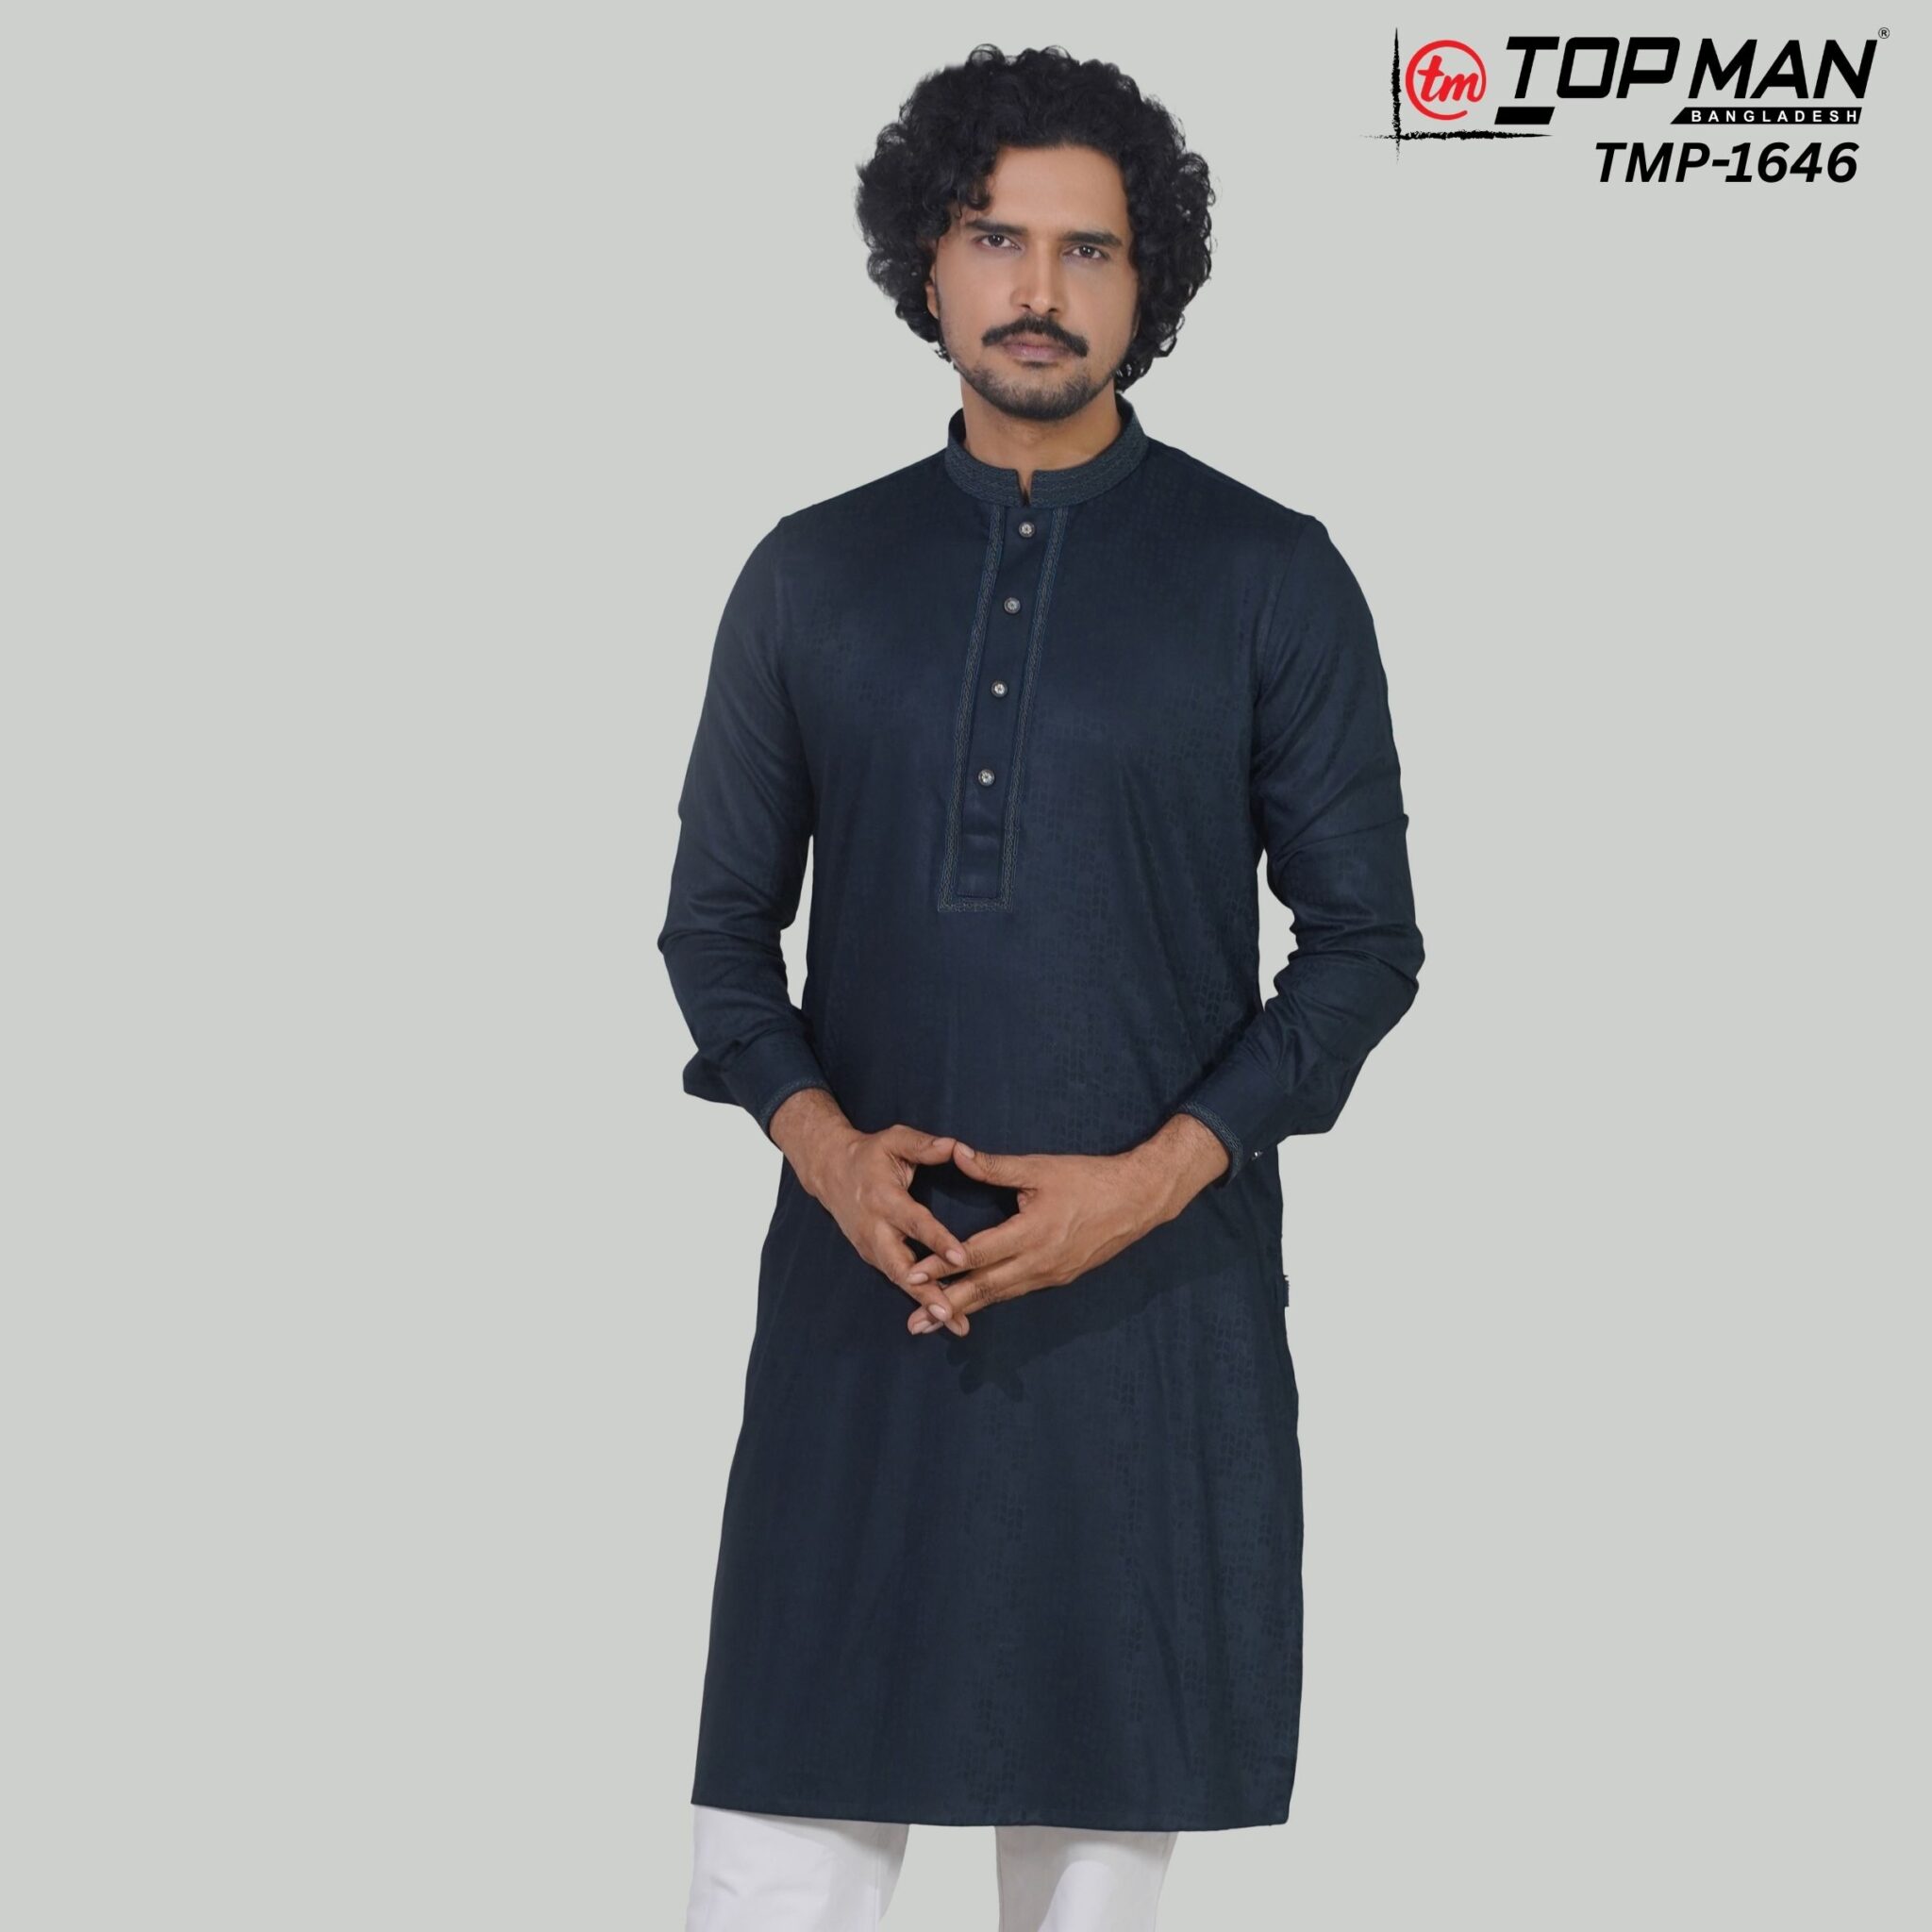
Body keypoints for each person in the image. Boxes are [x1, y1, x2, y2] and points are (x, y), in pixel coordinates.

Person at [659, 42, 1424, 1931]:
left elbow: (1363, 944)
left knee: (1089, 1881)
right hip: (863, 1319)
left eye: (1090, 250)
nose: (1038, 289)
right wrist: (831, 1155)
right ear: (924, 262)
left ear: (1147, 284)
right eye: (996, 237)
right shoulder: (812, 575)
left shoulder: (1268, 576)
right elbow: (714, 928)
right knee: (767, 1867)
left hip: (1140, 1337)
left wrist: (1149, 1182)